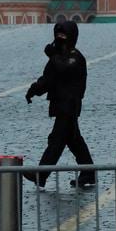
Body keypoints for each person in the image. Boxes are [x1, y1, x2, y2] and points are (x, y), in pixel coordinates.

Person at [23, 20, 96, 189]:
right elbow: (48, 79)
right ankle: (88, 172)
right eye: (58, 35)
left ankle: (40, 175)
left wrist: (53, 56)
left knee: (56, 140)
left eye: (63, 35)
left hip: (69, 106)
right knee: (74, 140)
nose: (60, 38)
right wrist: (33, 90)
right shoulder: (59, 57)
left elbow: (64, 69)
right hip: (60, 105)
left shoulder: (75, 57)